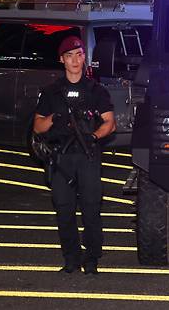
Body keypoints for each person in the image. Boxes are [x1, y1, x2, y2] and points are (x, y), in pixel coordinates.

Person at [33, 36, 116, 274]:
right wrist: (55, 119)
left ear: (84, 57)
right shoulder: (51, 92)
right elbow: (37, 127)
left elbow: (110, 123)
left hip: (88, 156)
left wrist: (94, 136)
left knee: (91, 209)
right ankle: (71, 258)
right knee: (64, 209)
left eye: (79, 54)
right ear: (62, 60)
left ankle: (91, 259)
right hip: (61, 159)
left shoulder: (95, 91)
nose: (75, 60)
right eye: (69, 56)